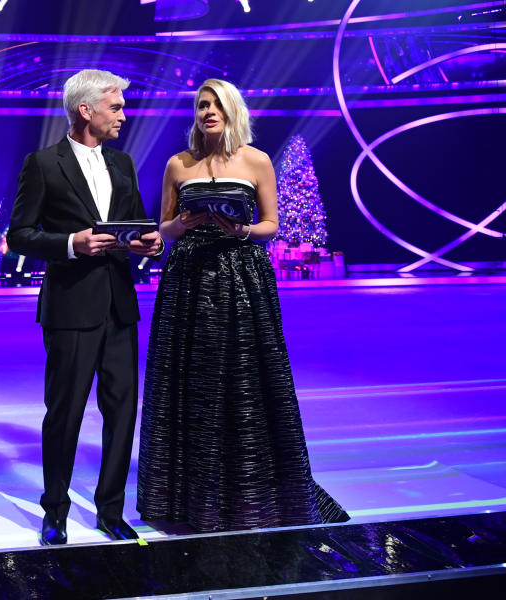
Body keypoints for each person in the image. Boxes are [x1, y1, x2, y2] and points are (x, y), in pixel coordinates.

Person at [136, 79, 349, 532]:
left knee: (246, 377)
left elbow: (272, 224)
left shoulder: (257, 160)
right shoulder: (179, 163)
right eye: (200, 105)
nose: (206, 111)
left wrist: (242, 232)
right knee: (189, 380)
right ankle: (189, 491)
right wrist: (185, 221)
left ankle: (250, 485)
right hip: (189, 279)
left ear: (232, 110)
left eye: (215, 104)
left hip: (241, 276)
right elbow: (165, 230)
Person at [8, 69, 163, 546]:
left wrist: (147, 242)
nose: (123, 115)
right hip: (71, 307)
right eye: (115, 107)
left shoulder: (123, 162)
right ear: (86, 110)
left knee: (121, 412)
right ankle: (54, 511)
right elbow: (20, 234)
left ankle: (110, 510)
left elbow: (134, 224)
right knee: (65, 412)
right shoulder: (44, 164)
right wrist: (71, 243)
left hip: (120, 305)